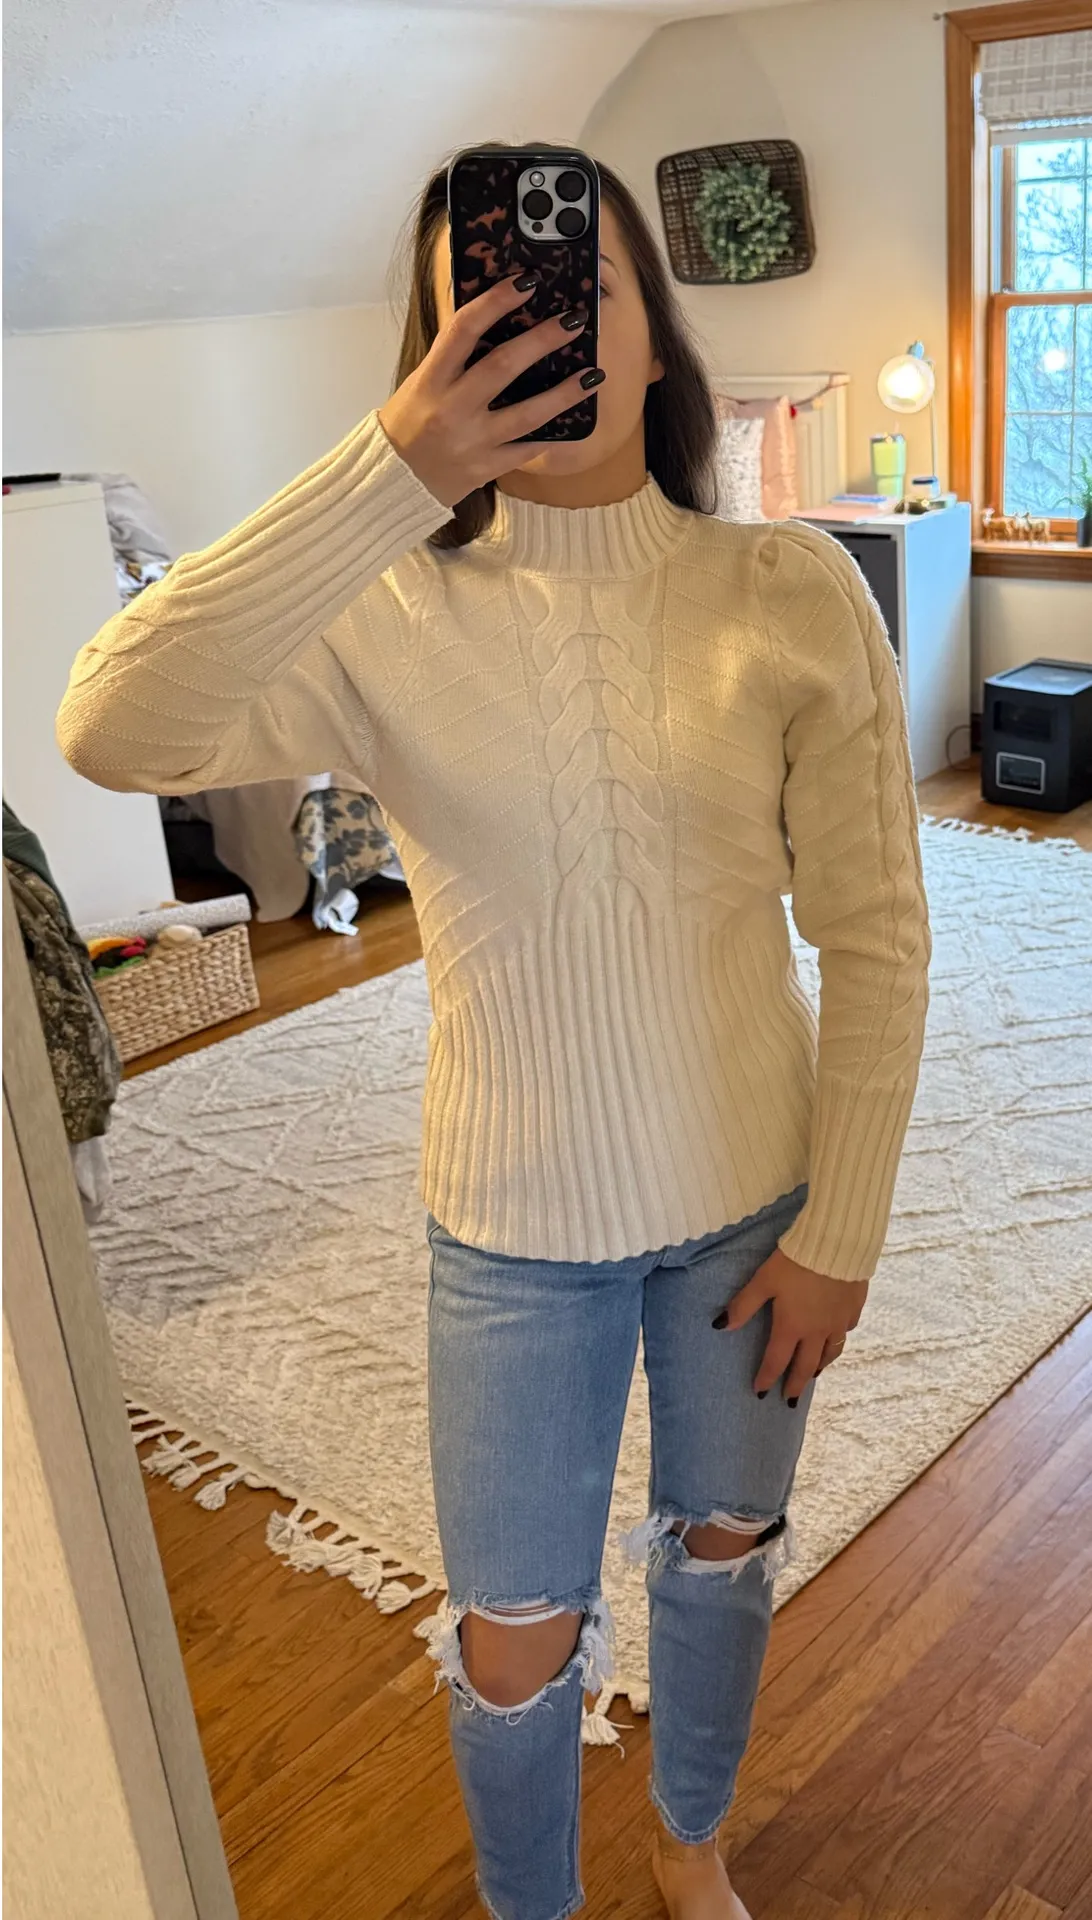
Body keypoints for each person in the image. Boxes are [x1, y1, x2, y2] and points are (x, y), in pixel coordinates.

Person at [57, 145, 931, 1920]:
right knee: (513, 1641)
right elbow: (109, 724)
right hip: (512, 1235)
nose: (544, 334)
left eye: (580, 295)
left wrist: (841, 1233)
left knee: (724, 1553)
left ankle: (689, 1841)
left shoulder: (787, 593)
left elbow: (878, 942)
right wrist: (391, 470)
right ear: (434, 351)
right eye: (494, 310)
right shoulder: (383, 611)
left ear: (655, 335)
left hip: (755, 1209)